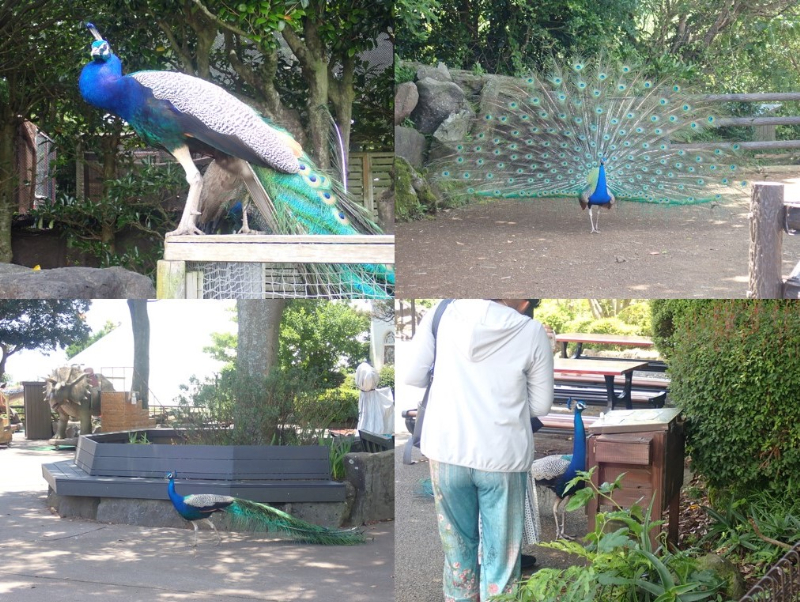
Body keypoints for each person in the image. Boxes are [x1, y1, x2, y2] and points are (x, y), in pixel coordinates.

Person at [404, 299, 554, 601]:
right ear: (524, 300)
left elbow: (413, 375)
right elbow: (540, 405)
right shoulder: (531, 330)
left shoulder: (442, 311)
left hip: (446, 451)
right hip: (503, 456)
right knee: (502, 564)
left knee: (457, 554)